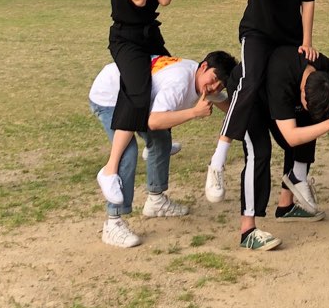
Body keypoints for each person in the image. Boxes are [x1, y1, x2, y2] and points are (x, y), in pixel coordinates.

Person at [206, 0, 316, 203]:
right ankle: (218, 159)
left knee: (302, 94)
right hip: (257, 32)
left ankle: (295, 182)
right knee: (250, 80)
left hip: (289, 37)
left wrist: (307, 41)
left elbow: (308, 0)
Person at [90, 51, 237, 247]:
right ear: (203, 67)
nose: (214, 87)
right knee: (127, 152)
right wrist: (194, 112)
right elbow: (154, 121)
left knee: (161, 139)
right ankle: (113, 222)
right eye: (214, 79)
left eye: (220, 85)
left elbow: (226, 103)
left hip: (134, 98)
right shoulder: (179, 83)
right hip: (110, 96)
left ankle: (156, 201)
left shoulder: (199, 77)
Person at [229, 46, 329, 251]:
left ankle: (285, 206)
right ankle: (248, 231)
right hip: (249, 94)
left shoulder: (324, 69)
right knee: (259, 152)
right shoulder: (282, 80)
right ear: (302, 91)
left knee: (308, 123)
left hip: (273, 92)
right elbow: (291, 137)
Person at [97, 0, 173, 206]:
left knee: (171, 77)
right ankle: (110, 168)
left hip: (150, 35)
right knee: (138, 91)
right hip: (125, 38)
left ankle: (154, 144)